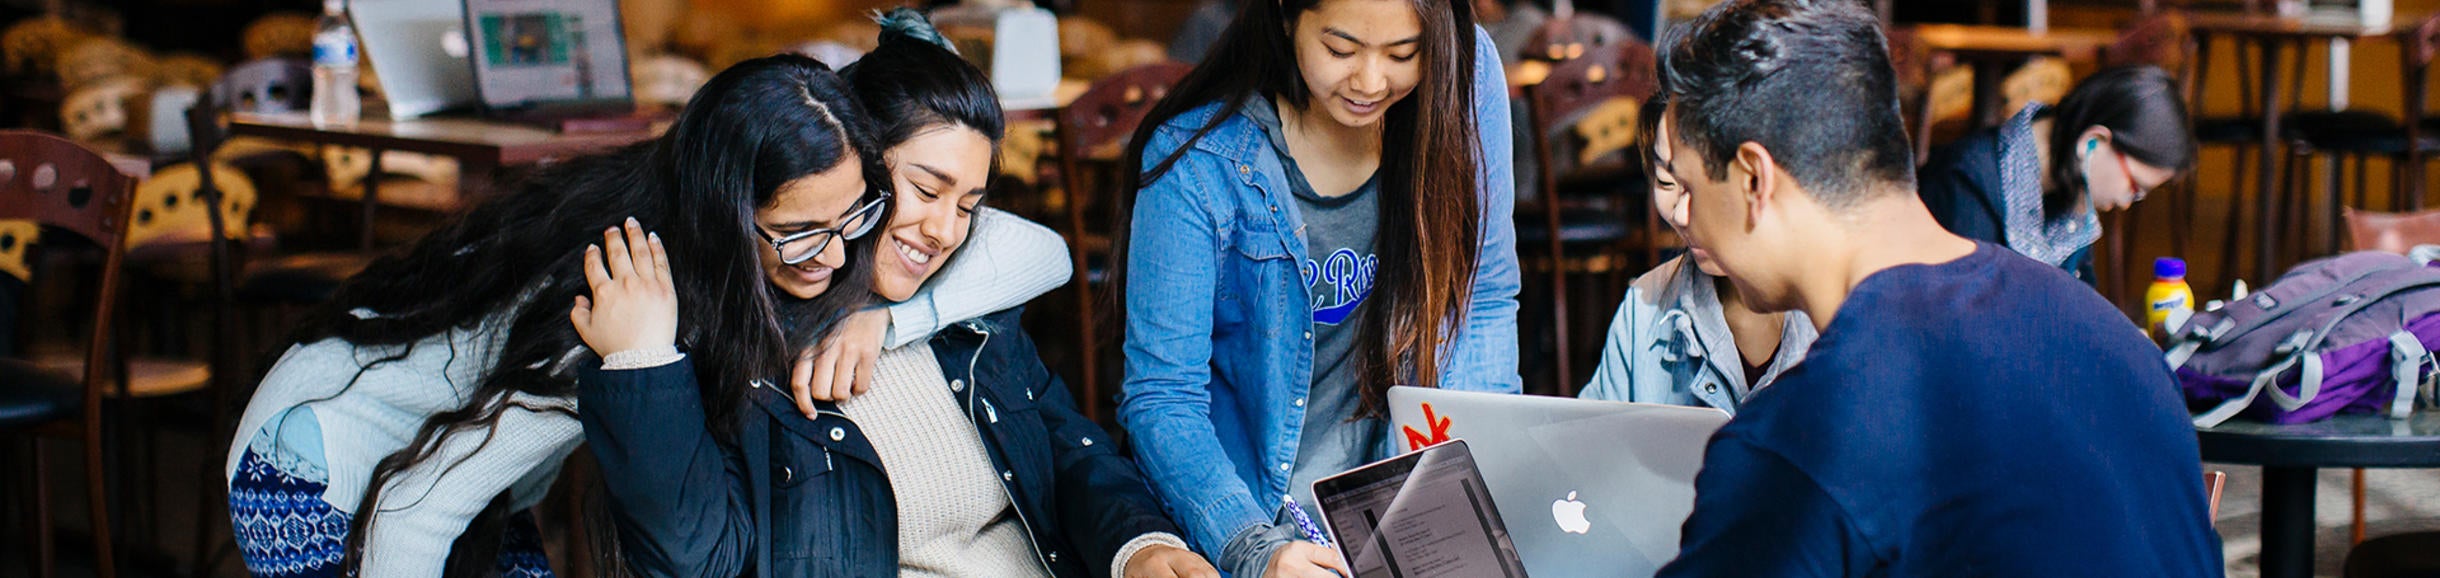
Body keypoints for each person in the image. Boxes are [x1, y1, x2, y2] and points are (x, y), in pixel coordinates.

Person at [221, 54, 1026, 577]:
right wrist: (639, 352)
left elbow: (1029, 249)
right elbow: (412, 513)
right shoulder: (611, 307)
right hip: (320, 464)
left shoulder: (700, 197)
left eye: (854, 217)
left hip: (462, 462)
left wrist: (882, 320)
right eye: (801, 232)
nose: (836, 254)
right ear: (726, 214)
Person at [576, 12, 1219, 578]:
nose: (945, 231)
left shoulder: (965, 309)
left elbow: (1070, 453)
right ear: (851, 165)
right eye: (926, 190)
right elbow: (695, 558)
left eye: (968, 205)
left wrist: (1139, 545)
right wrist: (642, 363)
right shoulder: (753, 347)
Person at [1649, 0, 2222, 575]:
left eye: (1690, 186)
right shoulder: (2122, 349)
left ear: (1754, 179)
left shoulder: (1801, 442)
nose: (1682, 218)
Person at [1115, 0, 1521, 574]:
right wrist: (1256, 550)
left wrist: (1470, 492)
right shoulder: (1202, 161)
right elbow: (1163, 398)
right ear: (1286, 15)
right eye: (1341, 49)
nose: (1371, 82)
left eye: (1403, 54)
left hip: (1402, 513)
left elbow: (1481, 299)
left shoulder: (1461, 73)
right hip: (1256, 518)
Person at [1578, 96, 1814, 413]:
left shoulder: (1845, 309)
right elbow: (1592, 435)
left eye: (1701, 184)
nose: (1680, 214)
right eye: (1665, 182)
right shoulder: (1645, 308)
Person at [1916, 65, 2194, 286]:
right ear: (2093, 142)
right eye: (2135, 187)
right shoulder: (1963, 183)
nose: (2126, 202)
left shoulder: (2070, 191)